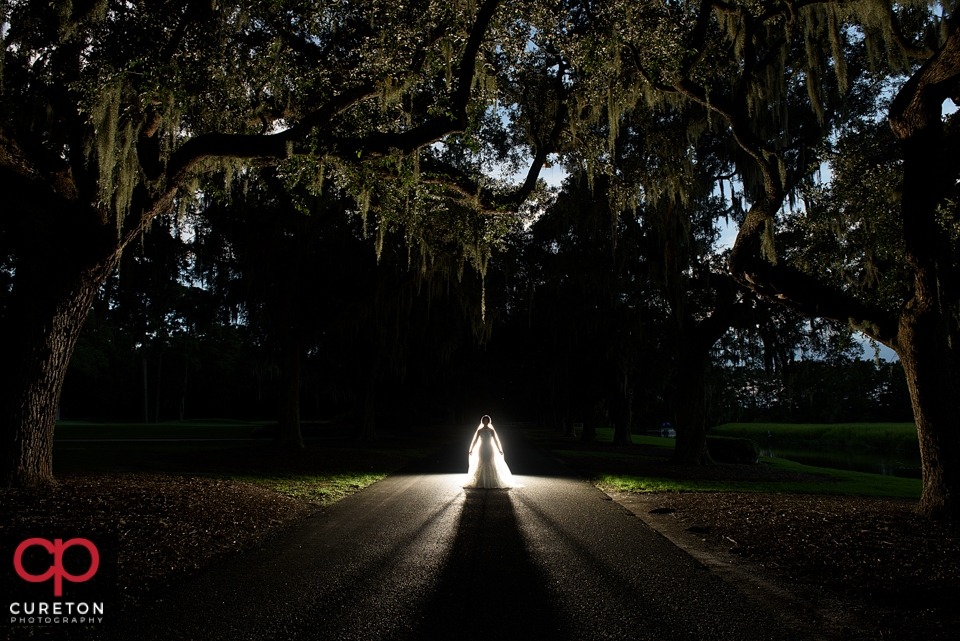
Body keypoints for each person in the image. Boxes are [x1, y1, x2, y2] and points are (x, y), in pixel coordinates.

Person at [462, 415, 515, 488]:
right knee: (482, 462)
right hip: (482, 448)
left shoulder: (491, 430)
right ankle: (481, 481)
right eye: (484, 420)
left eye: (487, 420)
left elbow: (496, 440)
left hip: (490, 448)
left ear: (489, 421)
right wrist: (471, 449)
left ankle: (492, 481)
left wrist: (499, 449)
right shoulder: (479, 431)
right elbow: (475, 440)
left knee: (490, 462)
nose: (485, 422)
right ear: (482, 421)